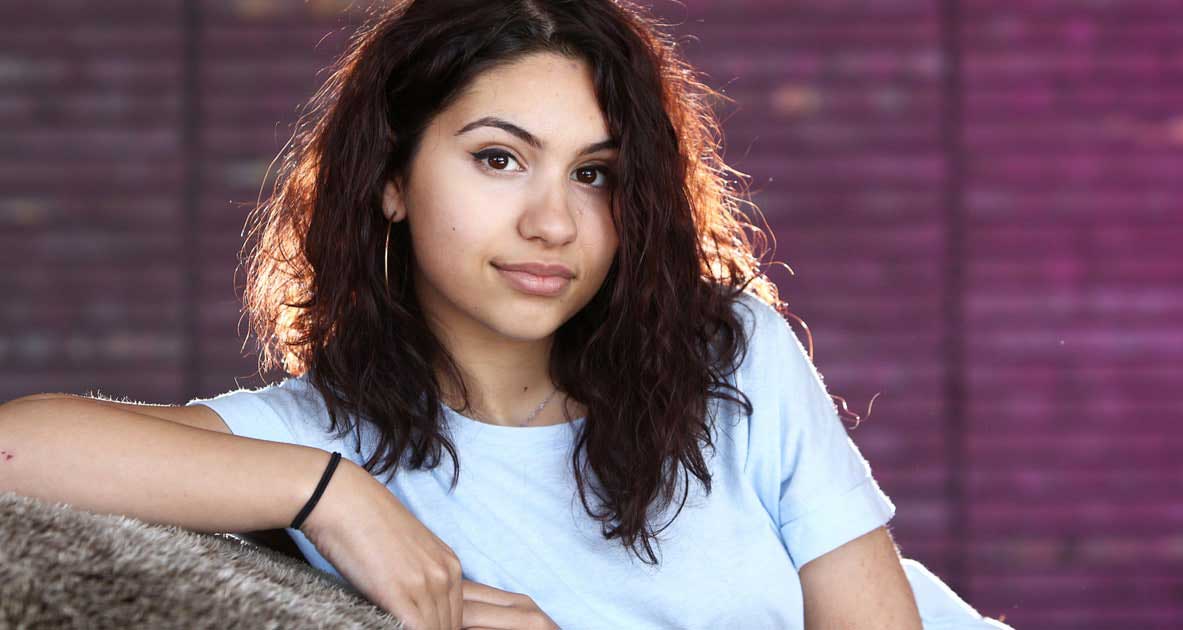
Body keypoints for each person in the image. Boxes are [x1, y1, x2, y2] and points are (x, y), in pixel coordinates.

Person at [1, 1, 1013, 628]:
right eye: (498, 158)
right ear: (391, 176)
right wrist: (335, 495)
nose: (553, 221)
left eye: (596, 174)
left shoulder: (729, 353)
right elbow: (15, 452)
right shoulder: (322, 435)